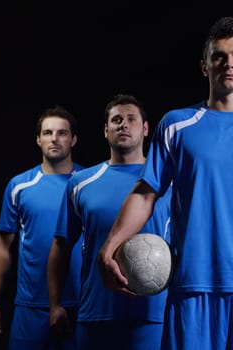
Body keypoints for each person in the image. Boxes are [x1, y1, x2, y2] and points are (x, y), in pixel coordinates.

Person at [98, 16, 233, 350]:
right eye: (219, 56)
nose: (229, 63)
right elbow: (146, 194)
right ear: (204, 66)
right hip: (192, 285)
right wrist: (108, 248)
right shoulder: (176, 125)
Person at [47, 94, 171, 350]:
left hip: (154, 317)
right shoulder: (81, 183)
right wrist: (55, 304)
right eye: (116, 120)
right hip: (96, 315)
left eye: (131, 119)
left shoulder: (169, 184)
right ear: (106, 130)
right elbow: (60, 245)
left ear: (146, 129)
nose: (123, 125)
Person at [0, 106, 85, 350]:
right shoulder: (19, 186)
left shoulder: (89, 183)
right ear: (38, 139)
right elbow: (4, 250)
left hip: (81, 306)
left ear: (73, 140)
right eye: (48, 132)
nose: (54, 138)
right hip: (31, 307)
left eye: (62, 133)